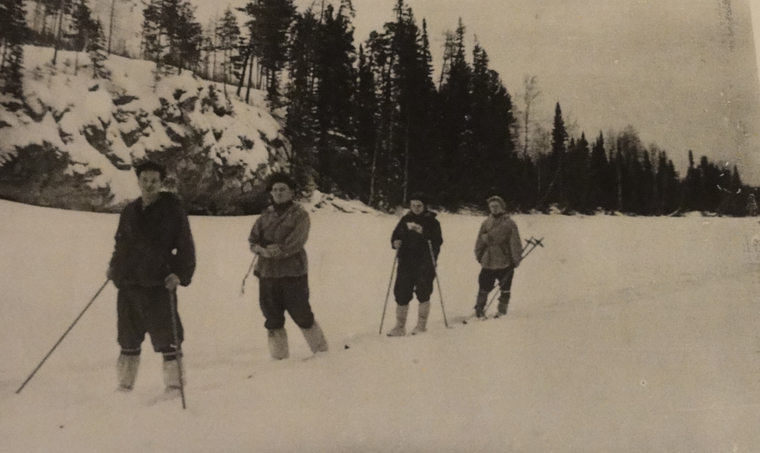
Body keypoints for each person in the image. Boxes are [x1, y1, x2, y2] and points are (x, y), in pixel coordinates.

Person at [107, 161, 196, 393]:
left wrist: (179, 273)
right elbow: (120, 244)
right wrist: (114, 268)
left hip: (159, 283)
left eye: (154, 181)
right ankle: (125, 385)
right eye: (144, 180)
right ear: (138, 180)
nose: (149, 185)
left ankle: (175, 386)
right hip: (129, 283)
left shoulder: (173, 210)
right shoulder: (129, 211)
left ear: (162, 182)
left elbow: (186, 245)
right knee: (127, 336)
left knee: (167, 335)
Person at [248, 173, 327, 359]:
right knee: (272, 316)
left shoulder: (300, 215)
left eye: (282, 189)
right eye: (274, 190)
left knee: (301, 312)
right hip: (267, 273)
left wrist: (278, 250)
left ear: (291, 191)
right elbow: (253, 239)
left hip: (292, 273)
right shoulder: (265, 216)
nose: (278, 193)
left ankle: (322, 352)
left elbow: (297, 241)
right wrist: (259, 249)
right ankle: (279, 358)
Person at [387, 193, 443, 336]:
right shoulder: (405, 219)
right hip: (406, 261)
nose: (416, 208)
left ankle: (421, 325)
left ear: (424, 206)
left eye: (419, 206)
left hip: (425, 262)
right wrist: (396, 242)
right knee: (401, 291)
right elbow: (396, 235)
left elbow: (438, 240)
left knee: (423, 291)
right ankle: (400, 327)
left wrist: (424, 232)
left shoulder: (432, 221)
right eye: (413, 205)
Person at [474, 195, 521, 318]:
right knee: (484, 285)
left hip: (504, 261)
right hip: (488, 260)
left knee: (505, 286)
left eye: (496, 206)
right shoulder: (486, 223)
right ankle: (479, 309)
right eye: (491, 206)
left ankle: (502, 310)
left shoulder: (509, 223)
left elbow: (515, 242)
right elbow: (479, 241)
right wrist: (479, 256)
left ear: (502, 207)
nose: (494, 209)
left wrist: (515, 260)